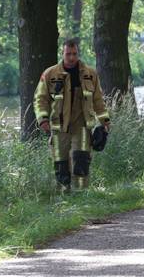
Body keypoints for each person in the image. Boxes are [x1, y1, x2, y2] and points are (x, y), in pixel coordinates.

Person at [34, 38, 111, 192]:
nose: (71, 57)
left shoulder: (90, 74)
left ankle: (81, 194)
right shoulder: (50, 74)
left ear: (78, 53)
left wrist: (105, 120)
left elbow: (98, 100)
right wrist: (42, 118)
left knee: (81, 158)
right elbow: (40, 99)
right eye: (68, 54)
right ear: (62, 53)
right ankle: (64, 197)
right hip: (58, 125)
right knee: (60, 162)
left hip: (82, 124)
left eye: (74, 54)